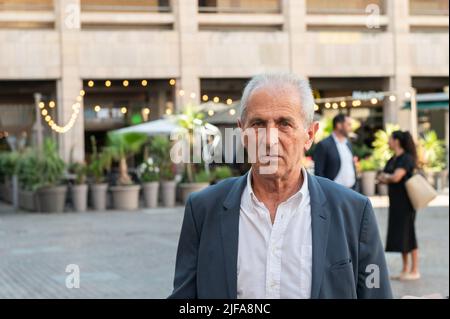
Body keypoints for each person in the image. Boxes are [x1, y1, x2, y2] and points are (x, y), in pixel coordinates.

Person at [169, 72, 392, 299]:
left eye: (284, 124)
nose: (270, 139)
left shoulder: (354, 211)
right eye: (258, 124)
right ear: (243, 134)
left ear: (309, 135)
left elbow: (376, 293)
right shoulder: (203, 210)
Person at [377, 130, 420, 281]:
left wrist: (387, 177)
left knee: (409, 233)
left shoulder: (406, 159)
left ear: (396, 141)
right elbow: (383, 176)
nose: (388, 141)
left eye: (390, 138)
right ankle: (405, 269)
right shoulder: (393, 159)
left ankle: (415, 270)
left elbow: (396, 177)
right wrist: (387, 177)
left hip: (406, 202)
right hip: (395, 203)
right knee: (402, 235)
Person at [313, 114, 357, 189]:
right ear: (339, 125)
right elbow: (318, 173)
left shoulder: (348, 143)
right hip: (333, 193)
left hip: (351, 191)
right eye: (348, 124)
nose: (351, 128)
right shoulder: (324, 145)